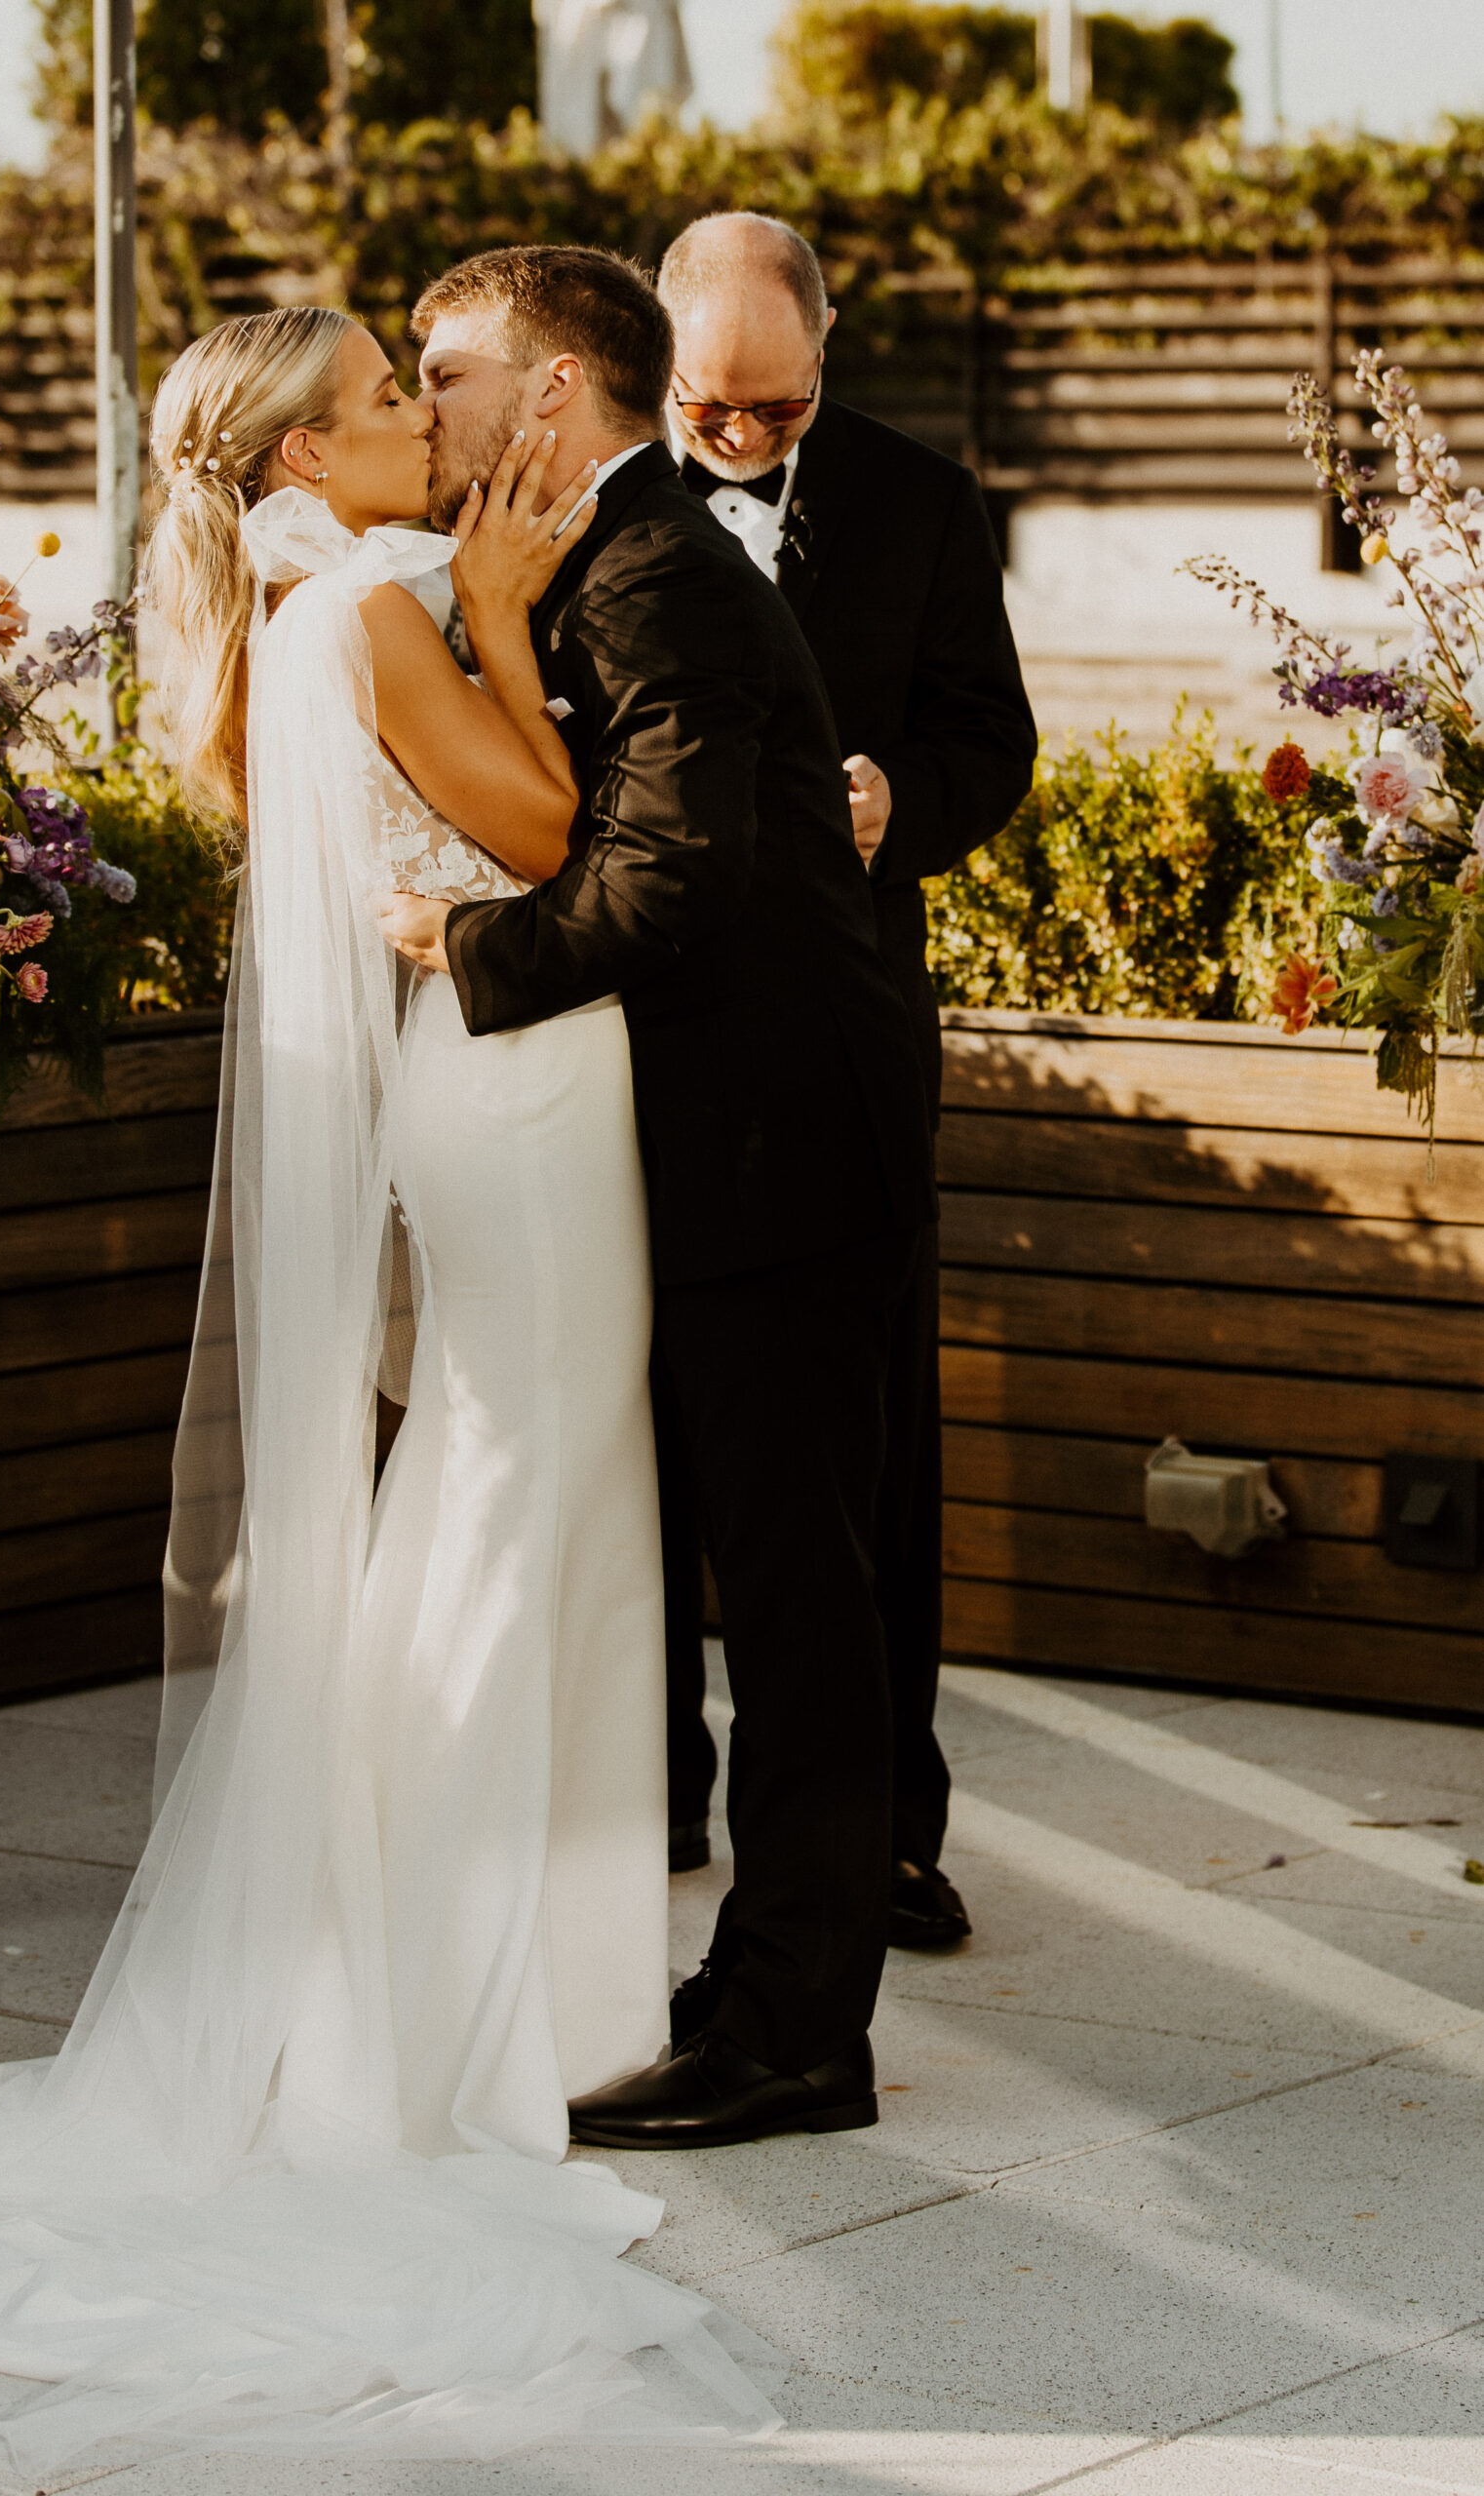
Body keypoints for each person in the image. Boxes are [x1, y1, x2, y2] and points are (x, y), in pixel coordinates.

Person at [0, 305, 776, 2471]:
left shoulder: (292, 599)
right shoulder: (366, 602)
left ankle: (491, 1966)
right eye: (375, 405)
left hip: (491, 1084)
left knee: (517, 1489)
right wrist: (518, 622)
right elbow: (539, 834)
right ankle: (439, 1996)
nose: (413, 425)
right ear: (303, 461)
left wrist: (493, 608)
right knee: (524, 1500)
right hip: (518, 1091)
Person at [382, 244, 936, 2152]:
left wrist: (451, 942)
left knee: (797, 1603)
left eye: (442, 369)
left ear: (547, 394)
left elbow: (665, 879)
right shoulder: (591, 561)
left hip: (783, 1150)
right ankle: (741, 1990)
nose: (419, 398)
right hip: (722, 1140)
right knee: (768, 1586)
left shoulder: (659, 576)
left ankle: (793, 2029)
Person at [654, 211, 1037, 1947]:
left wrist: (905, 814)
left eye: (773, 411)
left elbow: (992, 741)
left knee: (872, 1459)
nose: (736, 437)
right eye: (707, 406)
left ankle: (887, 1830)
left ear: (829, 346)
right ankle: (646, 1786)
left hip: (843, 1042)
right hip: (630, 1032)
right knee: (627, 1437)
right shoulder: (577, 494)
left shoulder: (922, 499)